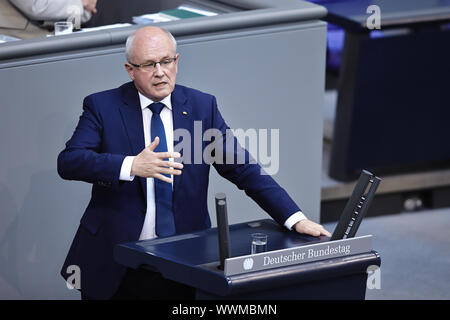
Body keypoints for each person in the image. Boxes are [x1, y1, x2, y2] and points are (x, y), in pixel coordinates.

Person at [58, 26, 331, 300]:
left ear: (176, 61)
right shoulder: (103, 106)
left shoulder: (202, 108)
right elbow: (69, 161)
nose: (160, 72)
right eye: (149, 65)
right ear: (130, 70)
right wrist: (130, 165)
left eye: (166, 61)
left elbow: (244, 169)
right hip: (117, 258)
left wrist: (294, 218)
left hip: (184, 259)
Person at [0, 0, 97, 39]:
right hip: (16, 40)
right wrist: (80, 3)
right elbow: (36, 7)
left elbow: (84, 12)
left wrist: (82, 6)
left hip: (62, 40)